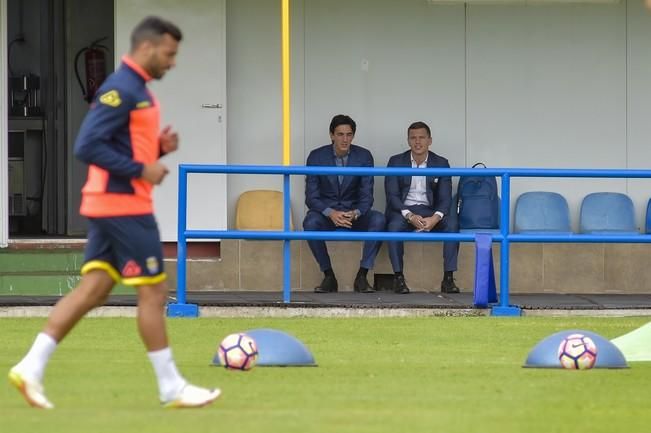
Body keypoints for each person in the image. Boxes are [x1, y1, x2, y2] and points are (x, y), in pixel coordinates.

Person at [8, 16, 220, 409]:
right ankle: (171, 386)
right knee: (154, 292)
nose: (173, 62)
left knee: (94, 290)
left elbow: (120, 147)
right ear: (147, 47)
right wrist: (143, 169)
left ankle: (30, 367)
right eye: (170, 54)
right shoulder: (120, 89)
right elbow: (86, 146)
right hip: (123, 206)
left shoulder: (137, 90)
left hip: (114, 204)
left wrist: (156, 149)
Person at [303, 114, 385, 293]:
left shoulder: (364, 156)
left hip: (353, 215)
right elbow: (311, 197)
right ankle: (328, 276)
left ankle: (362, 277)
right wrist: (330, 213)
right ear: (331, 135)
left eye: (349, 134)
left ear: (353, 136)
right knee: (310, 223)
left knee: (379, 220)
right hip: (328, 215)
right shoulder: (316, 156)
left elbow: (366, 197)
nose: (345, 139)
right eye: (340, 134)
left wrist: (355, 213)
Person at [385, 121, 460, 294]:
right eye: (413, 138)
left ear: (430, 140)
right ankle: (398, 278)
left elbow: (445, 198)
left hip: (429, 211)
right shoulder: (396, 161)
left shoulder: (441, 163)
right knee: (393, 227)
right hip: (404, 210)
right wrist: (409, 215)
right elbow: (392, 196)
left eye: (422, 138)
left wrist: (435, 218)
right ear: (408, 140)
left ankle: (448, 278)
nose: (417, 142)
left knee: (452, 225)